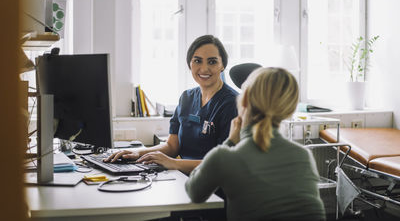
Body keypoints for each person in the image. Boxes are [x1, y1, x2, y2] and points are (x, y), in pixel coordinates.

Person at [185, 67, 326, 221]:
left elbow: (194, 192)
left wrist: (230, 141)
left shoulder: (224, 157)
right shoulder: (303, 155)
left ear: (243, 101)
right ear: (288, 110)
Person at [105, 35, 238, 174]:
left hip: (213, 187)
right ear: (189, 64)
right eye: (197, 61)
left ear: (222, 65)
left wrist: (173, 163)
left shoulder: (232, 104)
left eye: (212, 62)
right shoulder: (187, 98)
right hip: (183, 177)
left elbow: (224, 163)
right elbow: (172, 146)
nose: (204, 69)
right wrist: (137, 153)